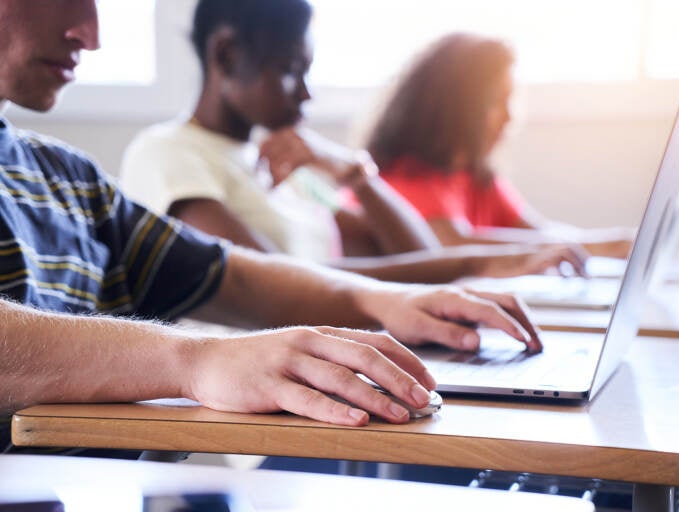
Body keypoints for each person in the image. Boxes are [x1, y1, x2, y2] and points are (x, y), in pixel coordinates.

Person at [0, 0, 544, 451]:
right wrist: (196, 362)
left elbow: (230, 275)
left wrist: (383, 299)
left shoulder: (66, 177)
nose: (89, 34)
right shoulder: (169, 153)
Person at [119, 0, 588, 283]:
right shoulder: (167, 154)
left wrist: (354, 174)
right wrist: (480, 266)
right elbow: (272, 286)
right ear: (225, 53)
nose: (305, 94)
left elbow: (416, 253)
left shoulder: (287, 165)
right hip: (248, 428)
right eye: (289, 70)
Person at [365, 33, 635, 258]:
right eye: (497, 101)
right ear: (455, 106)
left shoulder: (475, 179)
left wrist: (616, 242)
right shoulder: (398, 179)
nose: (509, 117)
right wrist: (595, 247)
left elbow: (540, 232)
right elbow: (450, 248)